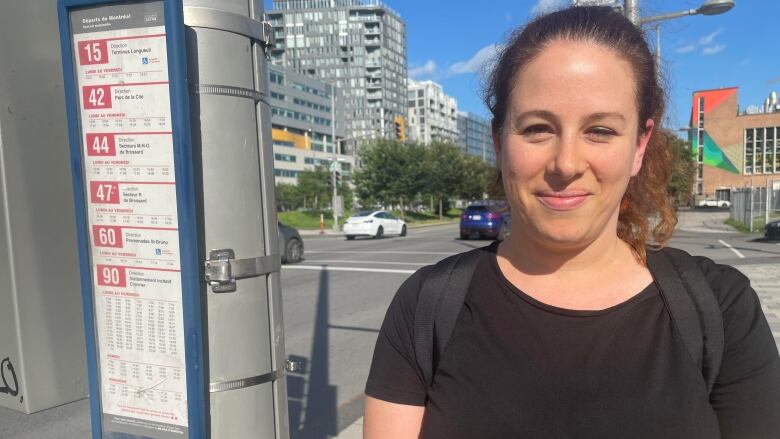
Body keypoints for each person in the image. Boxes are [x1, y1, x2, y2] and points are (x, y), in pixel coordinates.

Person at [363, 6, 780, 439]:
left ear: (640, 146)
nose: (566, 163)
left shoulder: (721, 310)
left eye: (600, 130)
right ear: (499, 143)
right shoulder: (425, 308)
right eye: (538, 128)